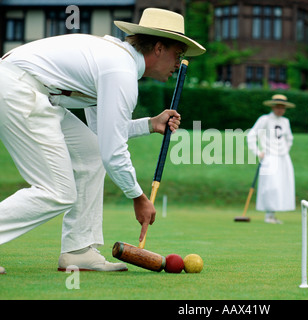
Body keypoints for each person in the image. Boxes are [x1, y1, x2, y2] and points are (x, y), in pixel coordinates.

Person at [0, 8, 205, 274]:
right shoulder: (120, 71)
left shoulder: (114, 62)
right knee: (57, 191)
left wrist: (149, 125)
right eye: (177, 55)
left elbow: (104, 136)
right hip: (18, 88)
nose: (178, 65)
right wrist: (138, 196)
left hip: (30, 90)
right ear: (158, 48)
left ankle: (78, 249)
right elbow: (114, 151)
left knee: (90, 153)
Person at [247, 94, 296, 224]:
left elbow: (289, 139)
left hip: (283, 157)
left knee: (281, 185)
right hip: (269, 156)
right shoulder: (264, 119)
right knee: (271, 185)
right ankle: (268, 215)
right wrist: (258, 152)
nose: (280, 110)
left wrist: (284, 150)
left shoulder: (285, 121)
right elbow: (251, 135)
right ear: (273, 107)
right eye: (278, 107)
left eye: (283, 107)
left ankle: (273, 214)